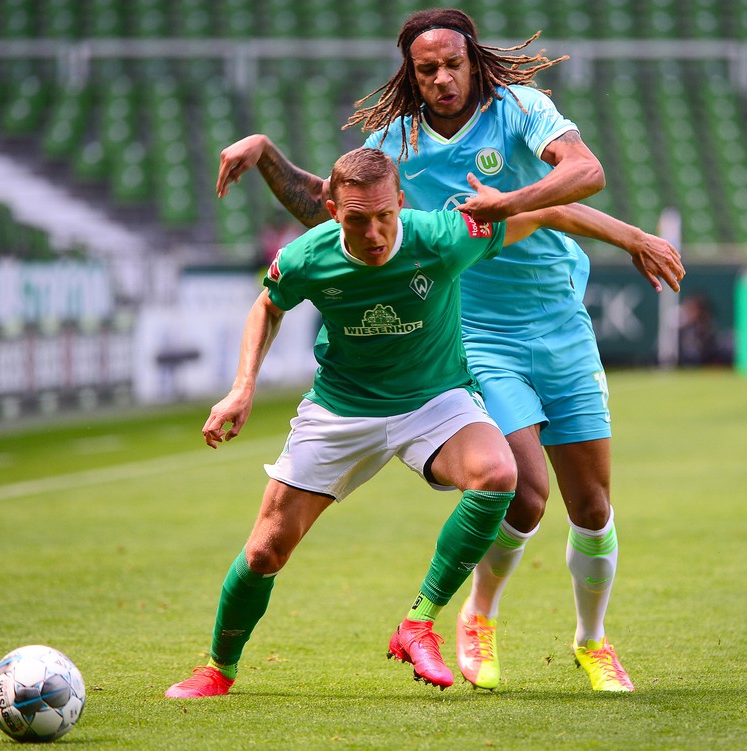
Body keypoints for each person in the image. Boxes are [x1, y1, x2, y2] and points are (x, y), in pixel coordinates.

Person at [214, 8, 685, 693]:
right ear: (410, 73)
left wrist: (620, 232)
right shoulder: (395, 141)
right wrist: (263, 152)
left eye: (451, 64)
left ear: (474, 62)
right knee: (523, 493)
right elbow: (332, 208)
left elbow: (581, 176)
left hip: (558, 321)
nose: (440, 78)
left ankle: (591, 641)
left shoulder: (521, 108)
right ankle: (477, 616)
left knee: (591, 507)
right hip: (476, 333)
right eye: (426, 68)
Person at [167, 147, 626, 699]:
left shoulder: (442, 236)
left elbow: (546, 211)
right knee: (266, 550)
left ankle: (419, 622)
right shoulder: (307, 257)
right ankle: (219, 668)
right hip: (341, 409)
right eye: (358, 219)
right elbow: (268, 305)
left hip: (434, 400)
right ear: (333, 210)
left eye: (385, 216)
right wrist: (242, 388)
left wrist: (635, 239)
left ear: (401, 204)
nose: (375, 233)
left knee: (498, 474)